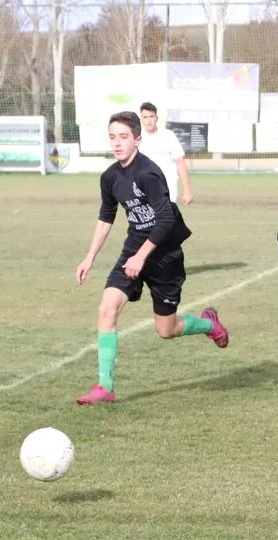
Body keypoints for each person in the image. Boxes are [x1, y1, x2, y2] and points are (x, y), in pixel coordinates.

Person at [74, 111, 227, 405]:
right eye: (113, 137)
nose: (117, 143)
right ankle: (105, 387)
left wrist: (143, 256)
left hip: (164, 254)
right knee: (107, 309)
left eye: (124, 137)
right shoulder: (110, 177)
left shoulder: (149, 173)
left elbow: (166, 218)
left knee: (165, 330)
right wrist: (89, 257)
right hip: (134, 248)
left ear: (137, 140)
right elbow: (106, 216)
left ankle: (209, 324)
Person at [138, 102, 194, 207]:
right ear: (141, 119)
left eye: (151, 116)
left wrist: (187, 191)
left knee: (167, 220)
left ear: (156, 118)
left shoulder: (168, 136)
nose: (149, 120)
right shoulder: (137, 138)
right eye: (145, 117)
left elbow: (180, 163)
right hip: (145, 187)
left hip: (167, 185)